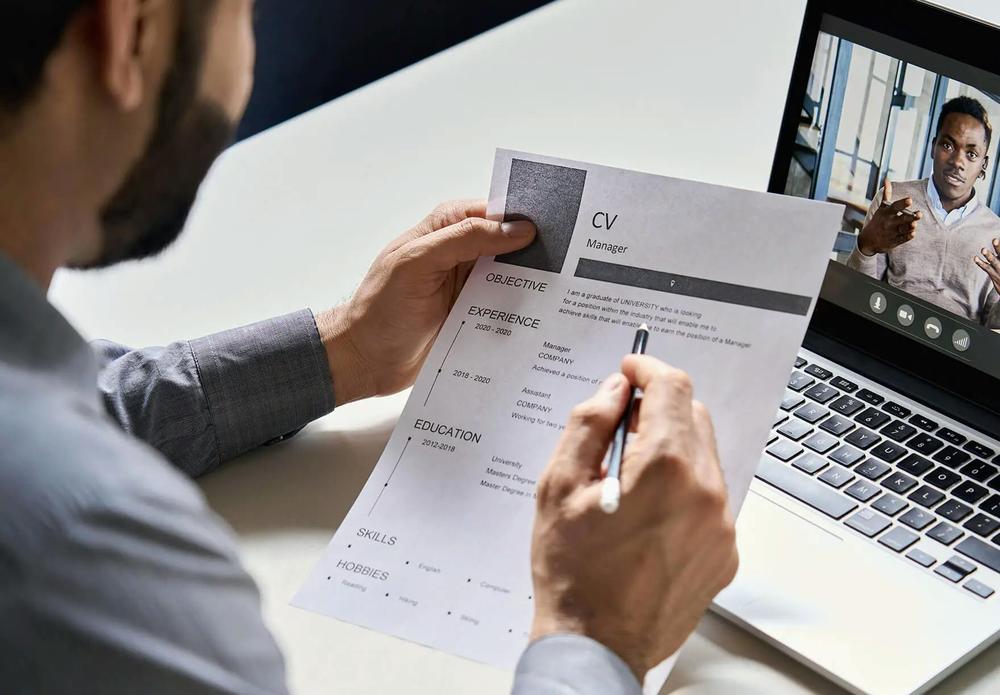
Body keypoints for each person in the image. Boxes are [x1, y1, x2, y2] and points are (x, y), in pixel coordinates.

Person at [0, 2, 738, 694]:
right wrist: (595, 635)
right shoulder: (87, 557)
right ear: (129, 33)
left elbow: (89, 406)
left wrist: (345, 349)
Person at [847, 96, 1000, 328]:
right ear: (933, 147)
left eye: (971, 154)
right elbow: (857, 294)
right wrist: (865, 247)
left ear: (983, 166)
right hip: (889, 330)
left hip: (957, 351)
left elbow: (991, 326)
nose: (958, 161)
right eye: (948, 145)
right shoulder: (893, 201)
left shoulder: (996, 234)